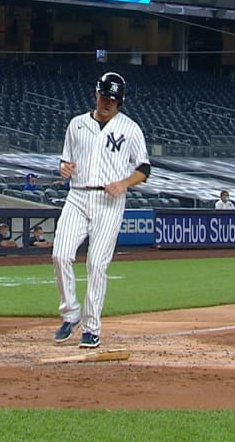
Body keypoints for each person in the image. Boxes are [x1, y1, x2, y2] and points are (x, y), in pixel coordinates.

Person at [52, 72, 150, 349]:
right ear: (96, 94)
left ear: (121, 102)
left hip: (109, 202)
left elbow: (144, 168)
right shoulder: (77, 125)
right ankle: (71, 314)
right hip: (77, 196)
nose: (108, 103)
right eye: (105, 96)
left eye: (114, 99)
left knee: (96, 264)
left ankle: (92, 327)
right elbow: (65, 161)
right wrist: (64, 168)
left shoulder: (130, 129)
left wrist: (124, 183)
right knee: (60, 254)